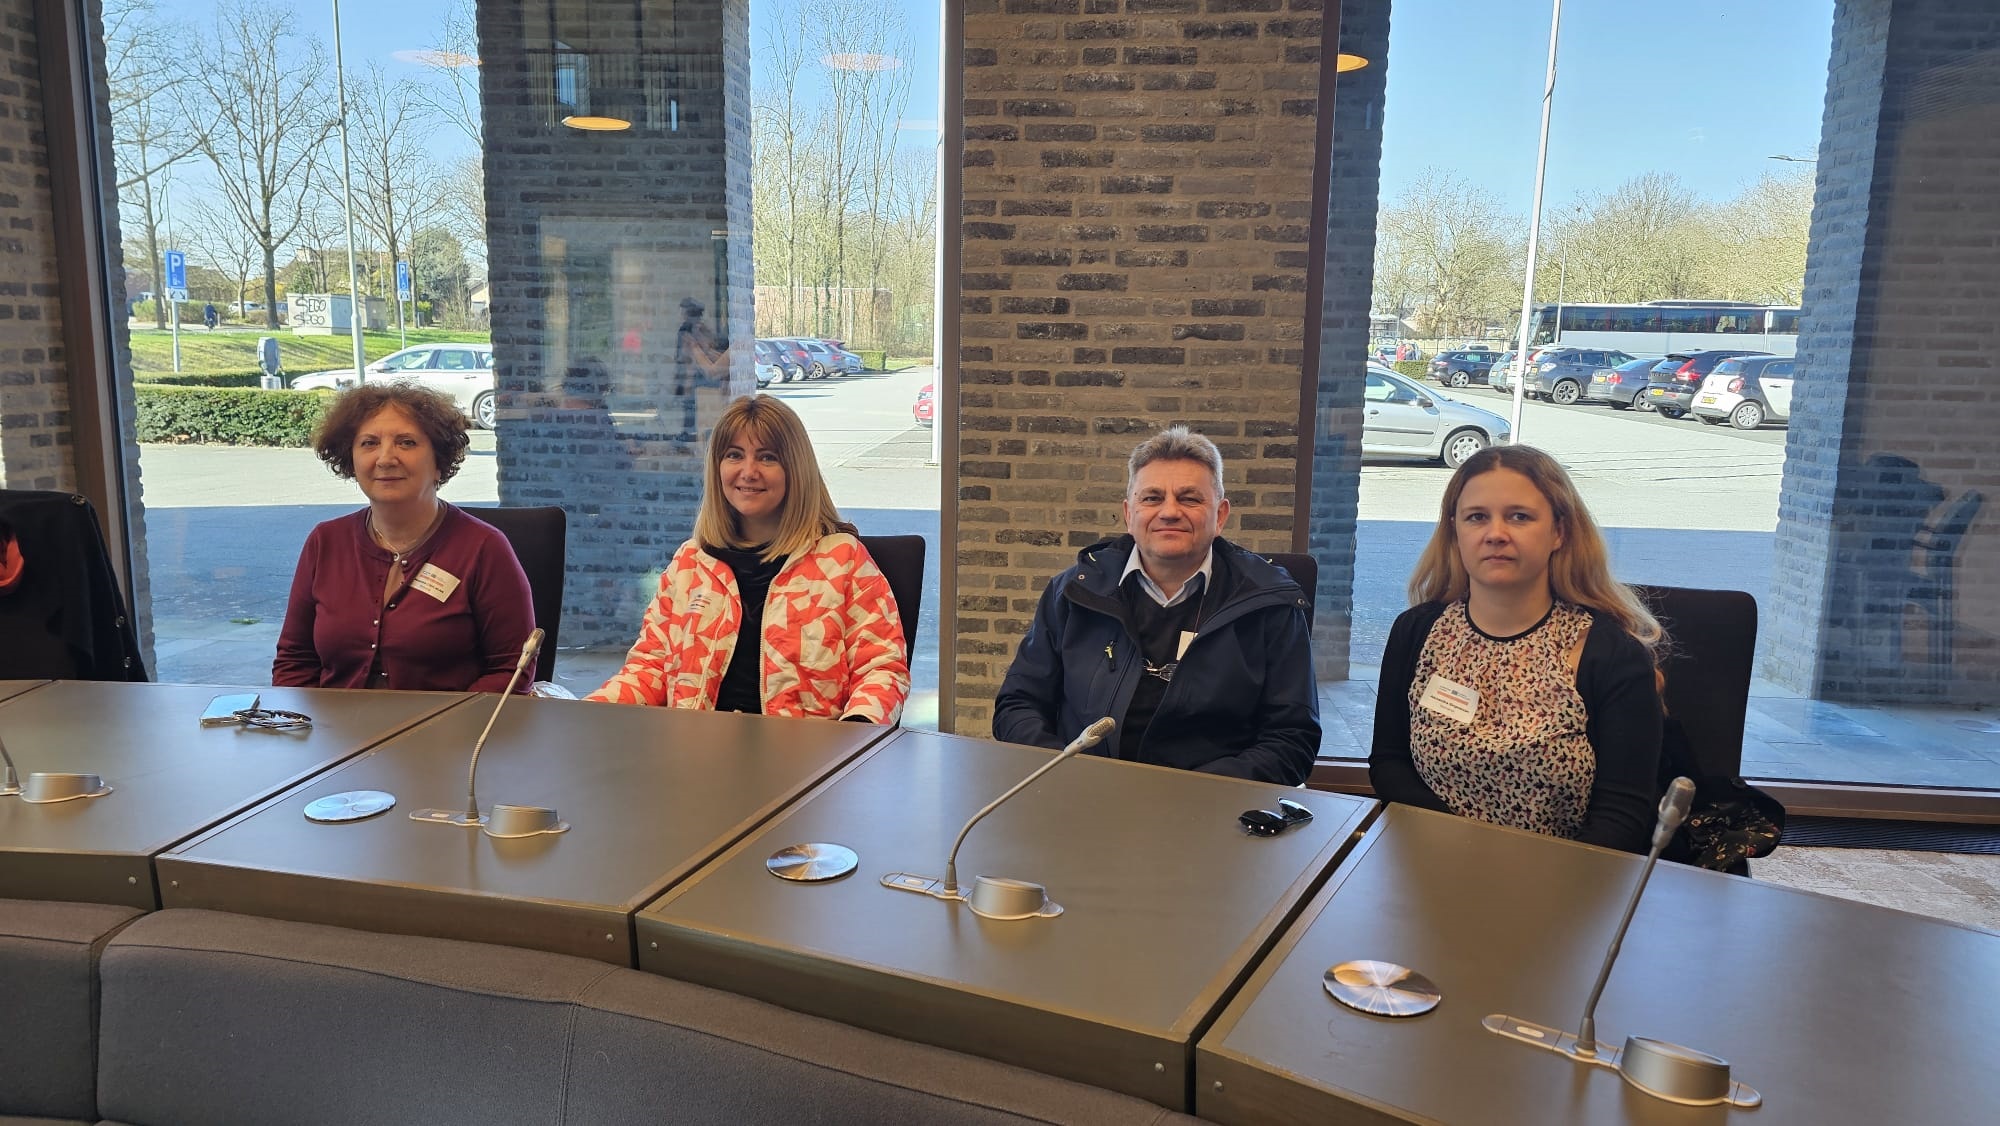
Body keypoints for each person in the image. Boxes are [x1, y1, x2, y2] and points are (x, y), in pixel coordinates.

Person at [1369, 444, 1664, 853]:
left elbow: (1623, 815)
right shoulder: (1417, 632)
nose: (1495, 534)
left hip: (1566, 874)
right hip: (1435, 859)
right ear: (1455, 531)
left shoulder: (1610, 654)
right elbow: (1389, 763)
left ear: (1559, 532)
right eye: (1477, 517)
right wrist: (1462, 848)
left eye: (1519, 517)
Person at [993, 427, 1319, 784]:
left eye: (1189, 499)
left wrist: (1194, 794)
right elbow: (1018, 705)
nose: (1169, 512)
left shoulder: (1271, 604)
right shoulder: (1071, 592)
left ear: (1220, 516)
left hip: (1212, 802)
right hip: (1083, 791)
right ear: (1129, 513)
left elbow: (1292, 739)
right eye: (1152, 498)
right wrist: (1066, 774)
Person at [588, 394, 908, 723]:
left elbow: (882, 671)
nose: (748, 471)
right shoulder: (690, 562)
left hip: (808, 749)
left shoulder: (842, 560)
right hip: (696, 748)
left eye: (767, 457)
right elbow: (649, 668)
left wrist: (854, 732)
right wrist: (584, 715)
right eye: (734, 455)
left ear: (795, 469)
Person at [274, 384, 536, 693]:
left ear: (439, 462)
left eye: (406, 442)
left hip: (453, 723)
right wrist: (307, 721)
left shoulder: (484, 549)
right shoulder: (325, 542)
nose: (385, 458)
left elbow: (511, 669)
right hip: (334, 724)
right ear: (350, 459)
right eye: (369, 443)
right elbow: (294, 662)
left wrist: (450, 720)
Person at [672, 297, 727, 442]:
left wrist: (700, 346)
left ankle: (691, 434)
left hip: (701, 375)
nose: (682, 314)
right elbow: (682, 356)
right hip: (695, 374)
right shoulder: (688, 329)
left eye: (684, 311)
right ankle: (689, 433)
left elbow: (708, 354)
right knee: (691, 405)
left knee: (694, 405)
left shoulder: (696, 330)